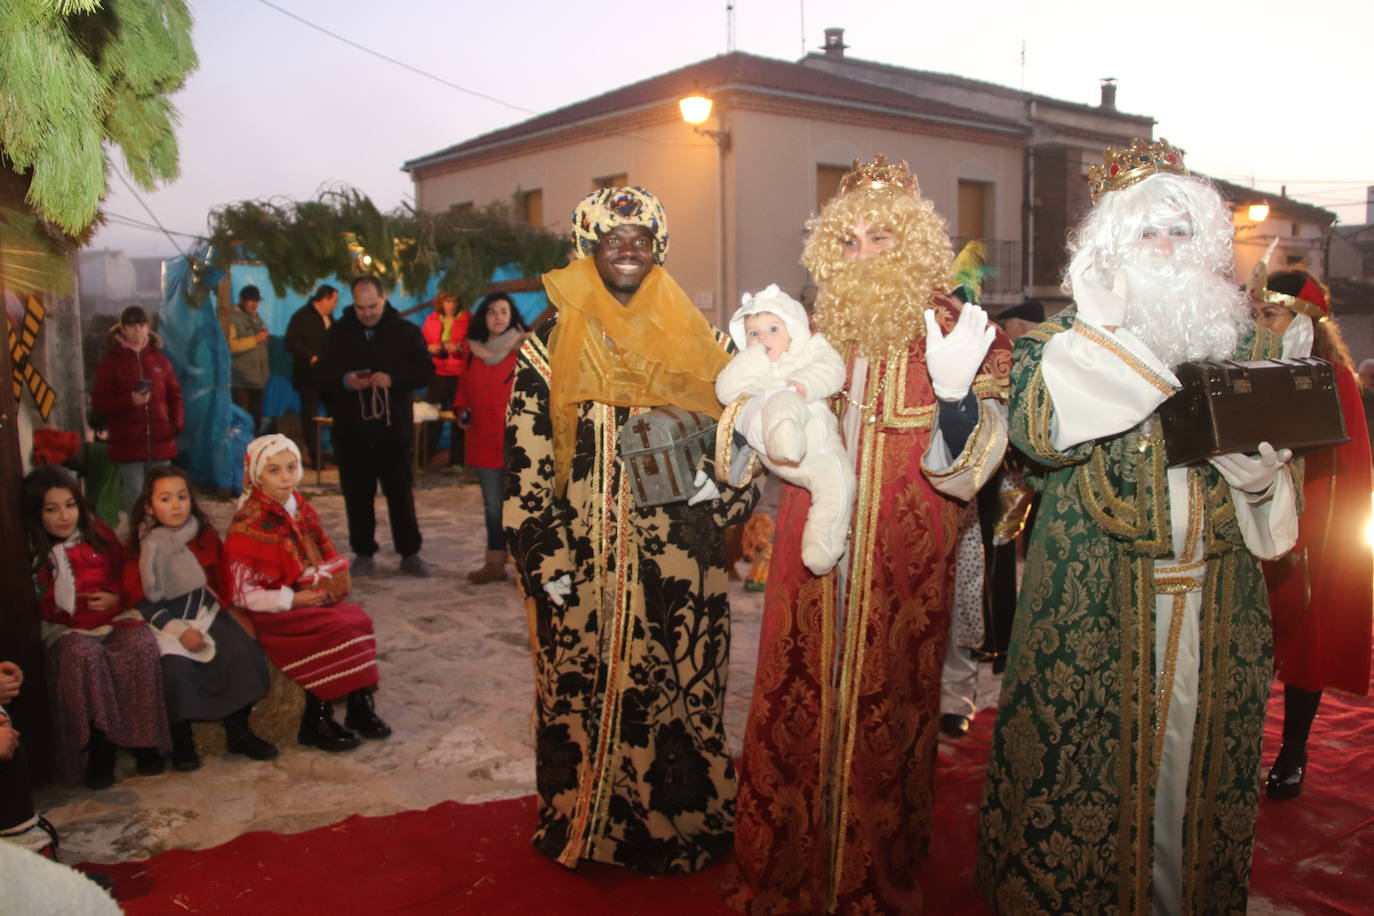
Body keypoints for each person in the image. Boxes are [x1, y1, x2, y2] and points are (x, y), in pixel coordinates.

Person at [975, 139, 1301, 915]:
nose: (1162, 250)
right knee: (1082, 776)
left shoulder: (1251, 346)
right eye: (1144, 234)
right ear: (1109, 249)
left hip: (1216, 604)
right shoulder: (1059, 351)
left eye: (1180, 233)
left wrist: (1263, 481)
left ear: (1208, 247)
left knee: (1199, 774)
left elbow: (1284, 493)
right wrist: (1103, 336)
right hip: (1095, 610)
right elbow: (1041, 438)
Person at [724, 157, 1010, 916]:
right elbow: (754, 422)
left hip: (903, 569)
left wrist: (953, 400)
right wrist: (752, 430)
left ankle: (869, 875)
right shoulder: (809, 331)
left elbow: (982, 461)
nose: (861, 254)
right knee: (797, 704)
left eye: (880, 236)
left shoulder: (963, 332)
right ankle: (786, 863)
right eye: (846, 241)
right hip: (807, 561)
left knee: (890, 720)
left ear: (912, 242)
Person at [504, 186, 757, 874]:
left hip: (681, 567)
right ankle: (585, 823)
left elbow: (739, 439)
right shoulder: (549, 347)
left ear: (658, 250)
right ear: (589, 248)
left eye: (640, 239)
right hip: (581, 562)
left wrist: (720, 491)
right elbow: (527, 463)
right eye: (611, 239)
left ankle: (682, 824)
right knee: (578, 688)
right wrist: (544, 560)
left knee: (683, 691)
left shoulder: (704, 342)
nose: (626, 249)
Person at [1248, 266, 1373, 799]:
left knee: (1305, 640)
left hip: (1312, 525)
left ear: (1302, 319)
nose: (1261, 323)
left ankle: (1293, 749)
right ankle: (1236, 744)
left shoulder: (1335, 377)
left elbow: (1344, 462)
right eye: (1256, 314)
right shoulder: (1248, 366)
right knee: (1250, 638)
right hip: (1251, 518)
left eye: (1270, 313)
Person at [221, 435, 390, 752]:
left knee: (357, 618)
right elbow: (242, 593)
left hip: (304, 594)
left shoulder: (299, 508)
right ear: (257, 474)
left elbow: (320, 553)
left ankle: (359, 704)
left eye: (291, 467)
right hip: (271, 610)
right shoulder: (249, 521)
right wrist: (293, 599)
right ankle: (317, 718)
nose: (286, 477)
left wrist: (325, 582)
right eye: (274, 470)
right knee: (333, 628)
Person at [22, 466, 171, 788]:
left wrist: (115, 595)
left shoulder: (97, 532)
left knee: (140, 646)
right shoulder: (33, 552)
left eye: (70, 505)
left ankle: (143, 741)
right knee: (81, 657)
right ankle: (100, 747)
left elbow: (124, 570)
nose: (65, 516)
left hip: (111, 617)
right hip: (67, 629)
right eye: (52, 509)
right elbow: (38, 603)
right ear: (36, 513)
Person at [124, 467, 276, 771]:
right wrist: (178, 631)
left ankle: (239, 730)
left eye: (181, 497)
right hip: (165, 620)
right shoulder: (144, 547)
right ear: (149, 507)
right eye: (165, 499)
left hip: (205, 611)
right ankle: (182, 741)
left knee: (239, 649)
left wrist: (233, 611)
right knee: (175, 669)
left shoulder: (201, 535)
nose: (176, 505)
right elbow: (139, 597)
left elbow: (220, 579)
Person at [714, 283, 852, 575]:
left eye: (773, 329)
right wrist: (752, 357)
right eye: (754, 333)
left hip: (817, 447)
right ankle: (784, 437)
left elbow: (833, 369)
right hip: (772, 441)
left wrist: (805, 383)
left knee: (840, 483)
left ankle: (822, 545)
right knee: (780, 401)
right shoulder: (751, 366)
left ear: (795, 331)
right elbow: (726, 391)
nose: (763, 338)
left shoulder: (810, 350)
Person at [328, 275, 436, 578]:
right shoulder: (338, 333)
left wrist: (393, 379)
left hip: (393, 431)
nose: (367, 313)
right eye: (361, 307)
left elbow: (425, 371)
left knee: (400, 492)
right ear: (353, 303)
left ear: (384, 298)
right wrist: (345, 380)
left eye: (372, 306)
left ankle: (409, 552)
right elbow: (322, 372)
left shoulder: (405, 332)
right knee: (357, 494)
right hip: (352, 431)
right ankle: (363, 551)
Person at [453, 292, 526, 583]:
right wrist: (461, 410)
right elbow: (463, 388)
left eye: (503, 311)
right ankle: (495, 563)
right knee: (493, 505)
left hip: (518, 441)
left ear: (511, 316)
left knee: (522, 504)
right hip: (482, 439)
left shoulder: (524, 348)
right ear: (484, 316)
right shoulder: (471, 350)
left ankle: (525, 566)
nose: (497, 317)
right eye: (491, 311)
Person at [89, 305, 184, 515]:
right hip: (128, 443)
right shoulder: (111, 364)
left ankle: (162, 536)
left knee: (163, 493)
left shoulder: (161, 361)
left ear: (148, 327)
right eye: (131, 325)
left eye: (142, 324)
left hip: (160, 440)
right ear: (122, 329)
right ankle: (138, 539)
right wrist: (129, 400)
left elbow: (175, 395)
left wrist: (175, 425)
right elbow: (99, 403)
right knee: (134, 496)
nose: (137, 330)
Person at [285, 284, 339, 468]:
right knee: (310, 416)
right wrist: (310, 356)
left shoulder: (330, 318)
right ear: (324, 299)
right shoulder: (301, 317)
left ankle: (336, 454)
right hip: (308, 377)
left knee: (336, 414)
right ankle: (316, 457)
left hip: (329, 377)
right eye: (334, 301)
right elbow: (290, 342)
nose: (335, 305)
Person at [421, 291, 471, 468]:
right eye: (448, 301)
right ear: (441, 302)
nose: (451, 305)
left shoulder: (467, 319)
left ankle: (458, 462)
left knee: (459, 419)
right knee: (432, 416)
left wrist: (459, 347)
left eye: (454, 301)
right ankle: (423, 459)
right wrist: (430, 348)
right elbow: (422, 345)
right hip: (438, 374)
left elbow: (474, 345)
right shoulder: (431, 320)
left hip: (459, 374)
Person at [227, 285, 271, 433]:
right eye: (251, 301)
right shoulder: (231, 318)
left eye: (256, 301)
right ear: (241, 300)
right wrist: (256, 339)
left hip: (258, 380)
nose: (254, 304)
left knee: (256, 419)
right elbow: (231, 345)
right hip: (241, 380)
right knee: (242, 419)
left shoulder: (256, 317)